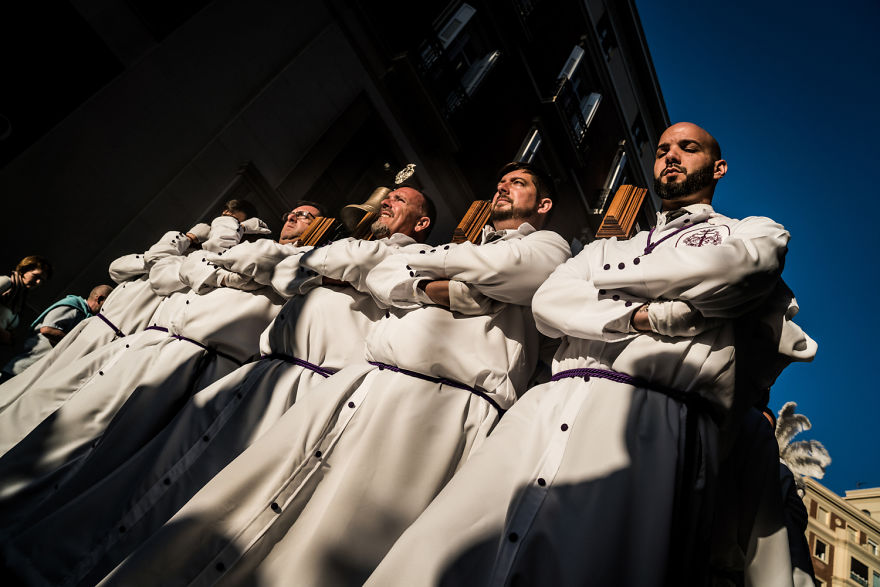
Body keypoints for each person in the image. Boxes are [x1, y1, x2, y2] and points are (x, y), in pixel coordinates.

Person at [364, 122, 801, 586]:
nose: (670, 156)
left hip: (653, 418)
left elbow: (737, 272)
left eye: (687, 148)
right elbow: (549, 303)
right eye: (662, 150)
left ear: (718, 167)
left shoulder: (752, 231)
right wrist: (646, 316)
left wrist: (602, 284)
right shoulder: (609, 246)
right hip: (549, 405)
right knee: (442, 551)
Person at [101, 163, 571, 586]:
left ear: (544, 204)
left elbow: (509, 270)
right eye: (500, 181)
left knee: (337, 533)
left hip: (439, 401)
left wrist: (414, 273)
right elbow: (379, 276)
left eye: (517, 182)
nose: (502, 187)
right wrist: (447, 289)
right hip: (366, 383)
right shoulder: (459, 248)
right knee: (250, 496)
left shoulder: (548, 246)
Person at [1, 191, 432, 585]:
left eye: (398, 200)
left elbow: (345, 271)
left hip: (255, 375)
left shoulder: (410, 257)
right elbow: (217, 264)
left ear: (423, 222)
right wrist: (265, 271)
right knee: (94, 443)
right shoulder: (326, 253)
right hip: (188, 355)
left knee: (174, 479)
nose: (384, 204)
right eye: (386, 198)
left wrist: (295, 269)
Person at [0, 203, 294, 534]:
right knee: (46, 399)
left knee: (102, 435)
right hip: (113, 339)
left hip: (160, 352)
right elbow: (135, 269)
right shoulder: (190, 257)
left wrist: (209, 260)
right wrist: (188, 243)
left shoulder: (246, 264)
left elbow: (196, 270)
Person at [0, 285, 112, 382]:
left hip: (38, 373)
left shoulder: (87, 316)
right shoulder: (75, 306)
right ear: (99, 299)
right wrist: (76, 345)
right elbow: (48, 329)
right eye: (109, 304)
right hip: (23, 369)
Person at [0, 255, 51, 348]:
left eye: (42, 281)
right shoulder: (6, 282)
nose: (38, 282)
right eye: (36, 276)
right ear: (24, 270)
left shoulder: (20, 300)